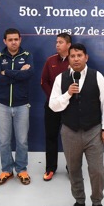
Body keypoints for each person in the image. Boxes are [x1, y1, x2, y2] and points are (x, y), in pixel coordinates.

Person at [48, 43, 104, 206]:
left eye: (79, 55)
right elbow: (53, 105)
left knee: (97, 170)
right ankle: (79, 201)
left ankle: (97, 202)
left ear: (86, 57)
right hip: (69, 131)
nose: (76, 59)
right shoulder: (61, 78)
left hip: (93, 131)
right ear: (68, 59)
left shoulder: (97, 76)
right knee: (74, 169)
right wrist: (68, 94)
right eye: (72, 56)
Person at [0, 28, 33, 186]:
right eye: (10, 40)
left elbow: (28, 75)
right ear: (5, 41)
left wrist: (6, 72)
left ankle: (21, 169)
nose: (13, 42)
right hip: (3, 105)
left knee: (22, 141)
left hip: (22, 105)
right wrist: (17, 73)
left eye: (16, 39)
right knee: (4, 141)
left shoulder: (27, 56)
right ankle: (7, 169)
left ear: (20, 40)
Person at [40, 32, 71, 181]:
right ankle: (50, 168)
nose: (57, 44)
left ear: (68, 45)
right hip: (52, 106)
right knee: (51, 137)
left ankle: (72, 168)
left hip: (70, 107)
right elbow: (44, 82)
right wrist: (54, 98)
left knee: (71, 139)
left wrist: (65, 99)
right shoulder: (50, 60)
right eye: (56, 42)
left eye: (61, 42)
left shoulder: (75, 60)